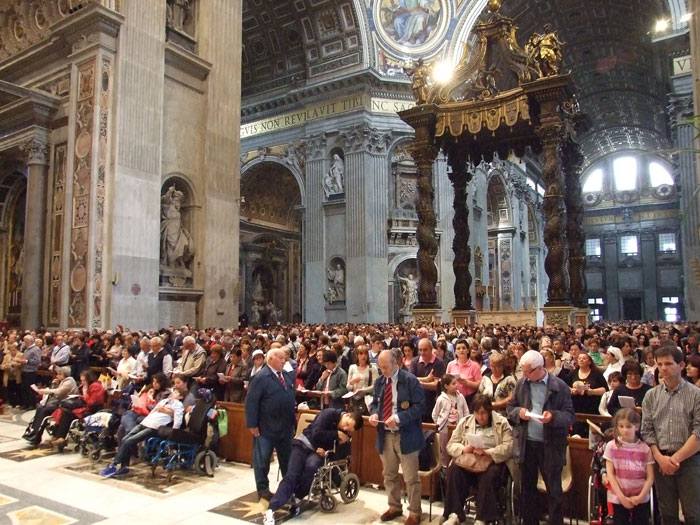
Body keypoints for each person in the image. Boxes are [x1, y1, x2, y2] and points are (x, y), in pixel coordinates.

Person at [506, 350, 575, 525]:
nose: (524, 375)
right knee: (527, 489)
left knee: (554, 490)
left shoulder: (559, 386)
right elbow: (510, 408)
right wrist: (518, 413)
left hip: (550, 444)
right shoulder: (522, 384)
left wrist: (552, 416)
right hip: (527, 443)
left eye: (527, 371)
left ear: (539, 368)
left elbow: (569, 416)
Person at [263, 409, 362, 525]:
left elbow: (336, 452)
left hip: (317, 453)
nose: (345, 429)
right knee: (291, 476)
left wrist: (326, 453)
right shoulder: (329, 414)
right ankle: (271, 509)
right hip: (303, 444)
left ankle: (298, 497)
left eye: (349, 429)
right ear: (348, 415)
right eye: (347, 424)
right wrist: (336, 434)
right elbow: (316, 434)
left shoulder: (344, 433)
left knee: (312, 468)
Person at [641, 343, 700, 525]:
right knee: (667, 514)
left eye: (668, 364)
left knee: (693, 514)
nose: (663, 369)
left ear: (681, 366)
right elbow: (647, 431)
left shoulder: (696, 394)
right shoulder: (651, 395)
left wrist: (675, 459)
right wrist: (660, 458)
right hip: (661, 460)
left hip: (689, 460)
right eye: (659, 364)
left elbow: (698, 432)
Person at [369, 349, 426, 525]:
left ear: (396, 364)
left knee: (410, 477)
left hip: (406, 434)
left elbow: (420, 407)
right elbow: (374, 403)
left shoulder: (410, 380)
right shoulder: (379, 382)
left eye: (386, 367)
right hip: (385, 434)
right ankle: (394, 506)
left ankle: (415, 512)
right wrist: (374, 414)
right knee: (389, 474)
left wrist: (400, 418)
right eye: (381, 367)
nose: (383, 371)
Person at [441, 394, 514, 525]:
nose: (480, 417)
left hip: (491, 461)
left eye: (484, 413)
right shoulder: (465, 422)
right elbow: (450, 445)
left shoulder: (502, 422)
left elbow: (509, 446)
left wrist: (488, 452)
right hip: (470, 460)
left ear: (489, 411)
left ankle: (482, 518)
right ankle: (455, 514)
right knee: (454, 469)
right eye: (477, 413)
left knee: (489, 475)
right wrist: (464, 449)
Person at [245, 347, 296, 501]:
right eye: (281, 358)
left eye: (285, 358)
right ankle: (263, 489)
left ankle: (288, 487)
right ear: (271, 359)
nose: (284, 361)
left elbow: (290, 398)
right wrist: (252, 424)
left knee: (287, 459)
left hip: (285, 427)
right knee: (262, 460)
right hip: (266, 427)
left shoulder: (286, 376)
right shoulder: (260, 377)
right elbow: (251, 402)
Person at [100, 388, 185, 478]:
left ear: (180, 397)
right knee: (125, 439)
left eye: (176, 392)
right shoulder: (163, 401)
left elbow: (178, 421)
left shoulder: (178, 405)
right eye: (173, 391)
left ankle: (114, 464)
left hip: (154, 427)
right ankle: (124, 467)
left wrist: (173, 431)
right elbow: (152, 412)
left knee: (129, 441)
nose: (172, 393)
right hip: (145, 422)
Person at [604, 408, 655, 525]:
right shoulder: (611, 446)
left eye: (628, 426)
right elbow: (610, 474)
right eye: (621, 426)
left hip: (640, 497)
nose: (624, 430)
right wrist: (621, 497)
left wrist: (640, 497)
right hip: (619, 496)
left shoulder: (645, 449)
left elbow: (650, 477)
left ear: (636, 427)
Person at [24, 366, 78, 446]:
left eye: (59, 374)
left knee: (44, 411)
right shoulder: (63, 381)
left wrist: (45, 391)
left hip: (65, 405)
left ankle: (37, 435)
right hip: (60, 403)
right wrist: (54, 384)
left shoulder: (69, 382)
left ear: (64, 375)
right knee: (40, 408)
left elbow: (59, 392)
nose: (57, 376)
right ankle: (34, 431)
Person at [432, 374, 469, 467]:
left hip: (458, 428)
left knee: (457, 447)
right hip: (444, 429)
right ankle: (445, 467)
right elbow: (435, 414)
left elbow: (466, 411)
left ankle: (456, 466)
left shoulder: (461, 397)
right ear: (446, 386)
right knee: (444, 449)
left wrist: (465, 423)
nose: (456, 385)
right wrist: (439, 424)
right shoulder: (441, 399)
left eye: (456, 383)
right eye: (453, 383)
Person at [346, 344, 378, 415]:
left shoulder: (372, 368)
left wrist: (363, 390)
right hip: (353, 401)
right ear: (357, 355)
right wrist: (351, 382)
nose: (363, 356)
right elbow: (348, 388)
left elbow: (375, 386)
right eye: (361, 354)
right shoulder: (352, 367)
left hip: (366, 401)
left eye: (365, 354)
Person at [19, 335, 41, 410]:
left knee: (30, 389)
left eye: (25, 341)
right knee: (24, 388)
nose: (24, 342)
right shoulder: (26, 349)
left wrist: (26, 361)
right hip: (24, 370)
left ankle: (32, 404)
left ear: (29, 341)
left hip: (31, 371)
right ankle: (25, 404)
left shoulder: (36, 349)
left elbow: (37, 361)